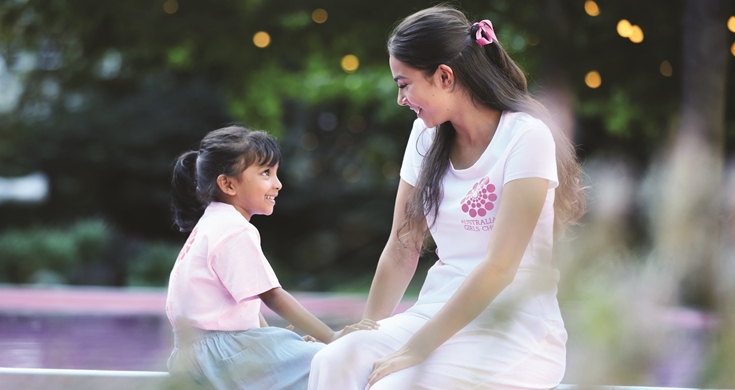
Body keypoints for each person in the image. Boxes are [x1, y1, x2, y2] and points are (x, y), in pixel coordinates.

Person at [309, 6, 585, 390]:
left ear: (444, 76)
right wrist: (365, 330)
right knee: (334, 359)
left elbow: (499, 268)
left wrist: (417, 349)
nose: (401, 98)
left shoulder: (526, 137)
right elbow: (403, 244)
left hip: (513, 329)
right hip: (434, 313)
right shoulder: (424, 137)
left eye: (404, 84)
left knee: (393, 385)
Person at [165, 126, 378, 390]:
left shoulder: (211, 223)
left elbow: (246, 304)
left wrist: (270, 340)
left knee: (302, 354)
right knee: (336, 362)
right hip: (222, 354)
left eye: (275, 173)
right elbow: (272, 295)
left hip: (191, 355)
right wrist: (332, 335)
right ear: (228, 184)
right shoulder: (234, 229)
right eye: (266, 173)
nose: (277, 183)